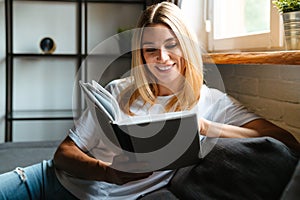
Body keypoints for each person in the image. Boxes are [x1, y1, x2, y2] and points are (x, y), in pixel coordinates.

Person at [0, 2, 299, 200]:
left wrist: (206, 126)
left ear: (187, 47)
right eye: (150, 50)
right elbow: (63, 154)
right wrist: (107, 172)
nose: (162, 59)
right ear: (141, 54)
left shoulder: (212, 102)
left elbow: (285, 141)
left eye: (172, 46)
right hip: (43, 182)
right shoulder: (119, 89)